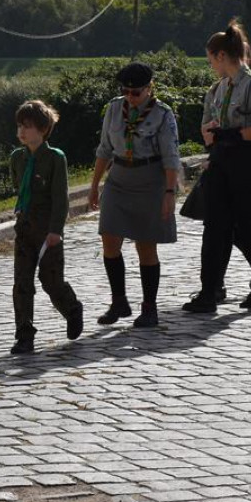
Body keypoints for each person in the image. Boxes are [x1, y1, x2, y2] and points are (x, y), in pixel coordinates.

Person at [183, 21, 251, 313]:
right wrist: (213, 134)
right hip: (221, 161)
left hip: (246, 163)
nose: (211, 66)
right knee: (214, 228)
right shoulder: (220, 88)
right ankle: (208, 292)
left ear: (221, 55)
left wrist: (233, 134)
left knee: (246, 225)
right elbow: (210, 128)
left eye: (211, 60)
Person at [89, 63, 180, 328]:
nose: (130, 97)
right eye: (125, 91)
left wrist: (169, 192)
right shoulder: (114, 108)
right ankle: (119, 301)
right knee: (109, 238)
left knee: (145, 246)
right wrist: (95, 185)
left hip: (150, 181)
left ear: (149, 88)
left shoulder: (163, 114)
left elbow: (171, 156)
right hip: (118, 180)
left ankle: (149, 308)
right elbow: (104, 149)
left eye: (136, 92)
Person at [9, 100, 84, 354]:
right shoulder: (17, 158)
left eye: (28, 126)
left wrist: (55, 230)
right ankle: (24, 334)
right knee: (22, 282)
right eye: (19, 126)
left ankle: (72, 309)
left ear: (42, 129)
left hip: (47, 227)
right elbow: (18, 188)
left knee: (51, 280)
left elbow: (60, 198)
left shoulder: (55, 158)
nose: (22, 131)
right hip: (25, 226)